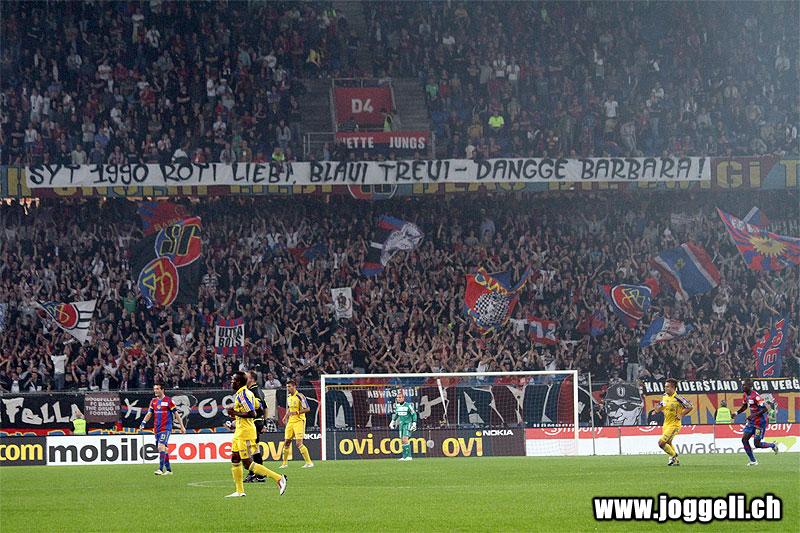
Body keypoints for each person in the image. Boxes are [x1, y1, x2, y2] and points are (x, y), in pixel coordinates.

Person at [225, 371, 286, 498]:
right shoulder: (247, 393)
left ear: (239, 382)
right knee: (235, 459)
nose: (231, 382)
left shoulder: (243, 394)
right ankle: (239, 491)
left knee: (247, 463)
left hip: (245, 433)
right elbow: (259, 406)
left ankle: (279, 478)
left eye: (233, 380)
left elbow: (252, 413)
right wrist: (236, 419)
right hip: (240, 432)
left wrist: (235, 413)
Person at [140, 383, 185, 475]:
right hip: (157, 428)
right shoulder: (153, 401)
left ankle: (160, 469)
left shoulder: (169, 401)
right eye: (154, 389)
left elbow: (176, 414)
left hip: (166, 427)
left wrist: (182, 426)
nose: (155, 391)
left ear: (162, 390)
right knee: (163, 448)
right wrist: (143, 422)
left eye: (157, 389)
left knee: (161, 446)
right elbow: (149, 413)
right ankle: (169, 470)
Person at [735, 379, 778, 466]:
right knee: (744, 439)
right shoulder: (745, 395)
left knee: (757, 444)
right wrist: (736, 413)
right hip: (751, 423)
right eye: (742, 385)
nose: (742, 386)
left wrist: (753, 415)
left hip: (759, 423)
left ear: (750, 386)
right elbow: (744, 406)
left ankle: (773, 445)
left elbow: (766, 408)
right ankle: (753, 461)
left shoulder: (756, 397)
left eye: (744, 385)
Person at [652, 378, 692, 466]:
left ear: (673, 387)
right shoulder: (665, 396)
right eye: (665, 386)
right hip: (666, 424)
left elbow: (689, 406)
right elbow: (662, 404)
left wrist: (681, 414)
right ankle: (676, 461)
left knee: (661, 443)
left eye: (667, 387)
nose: (665, 388)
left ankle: (674, 455)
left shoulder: (678, 398)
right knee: (668, 443)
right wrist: (657, 409)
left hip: (674, 425)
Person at [280, 379, 313, 468]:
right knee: (287, 442)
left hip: (299, 421)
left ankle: (309, 462)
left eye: (289, 386)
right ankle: (284, 464)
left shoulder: (300, 396)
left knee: (298, 443)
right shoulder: (289, 397)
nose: (288, 388)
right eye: (287, 387)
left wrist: (297, 412)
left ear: (294, 386)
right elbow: (290, 408)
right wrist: (285, 417)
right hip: (291, 422)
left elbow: (307, 409)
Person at [244, 370, 267, 483]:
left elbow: (258, 406)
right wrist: (264, 423)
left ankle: (253, 473)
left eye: (247, 377)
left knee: (249, 448)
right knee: (254, 448)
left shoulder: (253, 391)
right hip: (257, 422)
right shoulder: (258, 390)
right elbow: (265, 407)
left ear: (252, 379)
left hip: (253, 422)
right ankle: (259, 474)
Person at [389, 389, 417, 461]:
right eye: (397, 397)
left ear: (403, 398)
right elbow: (397, 414)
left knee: (405, 439)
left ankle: (409, 456)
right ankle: (404, 457)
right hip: (401, 424)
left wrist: (414, 423)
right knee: (402, 440)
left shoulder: (408, 405)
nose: (398, 399)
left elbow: (414, 414)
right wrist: (392, 422)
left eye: (400, 397)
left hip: (407, 423)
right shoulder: (397, 406)